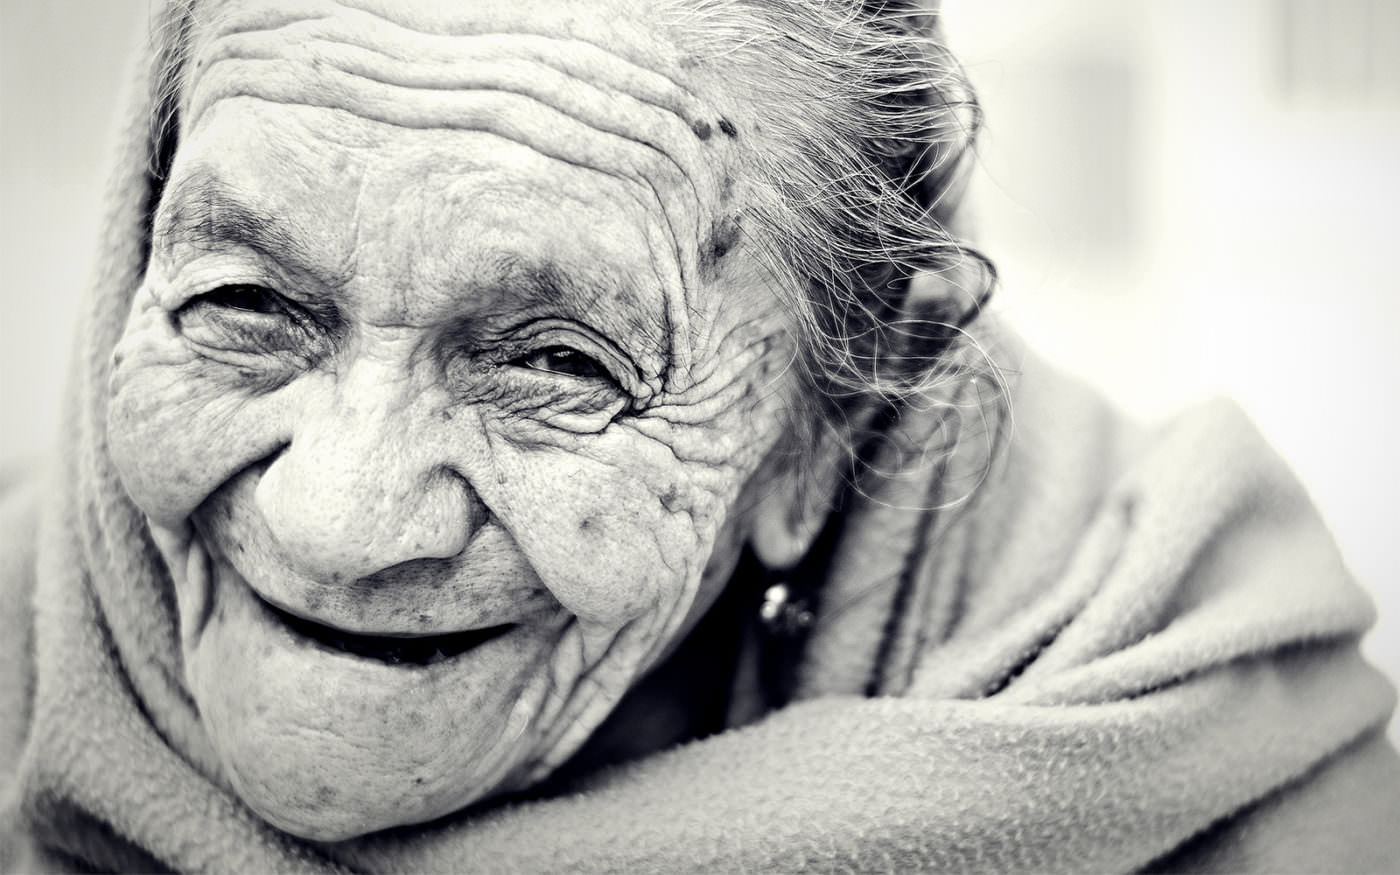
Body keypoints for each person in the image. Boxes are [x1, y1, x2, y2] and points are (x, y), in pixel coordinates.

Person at [2, 0, 1397, 870]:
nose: (335, 520)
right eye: (246, 303)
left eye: (554, 363)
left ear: (830, 427)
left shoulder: (1236, 801)